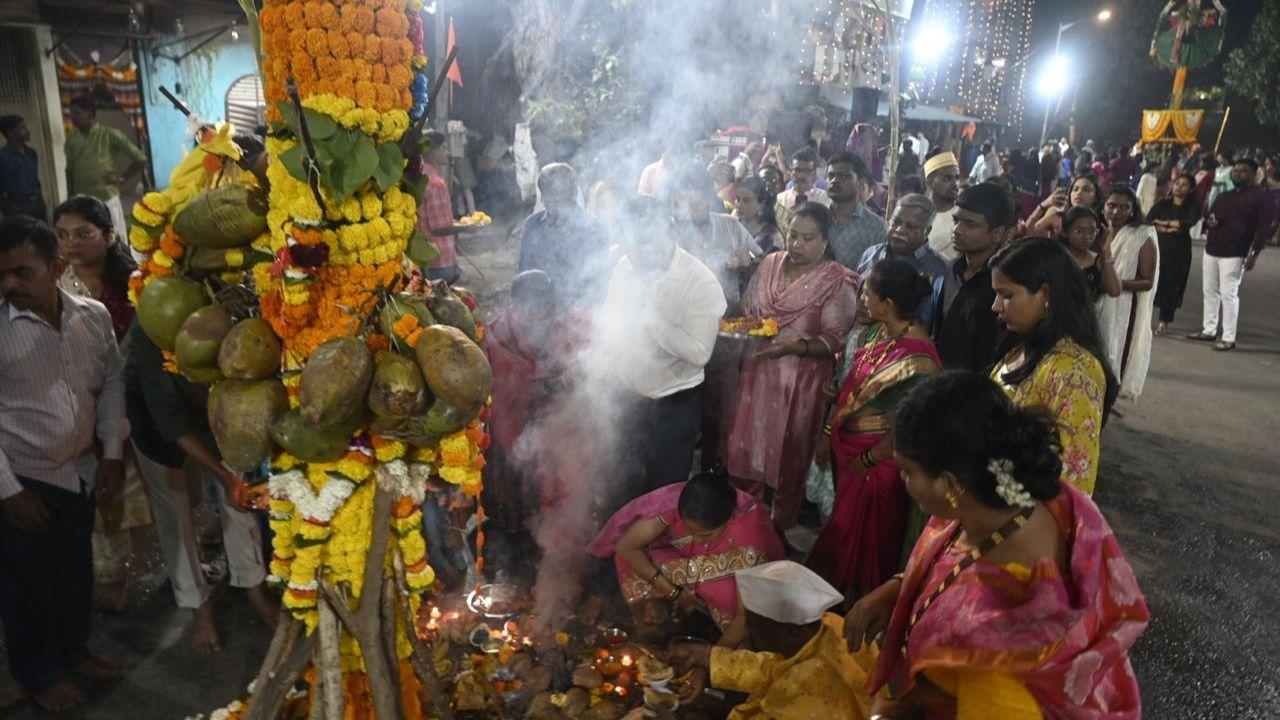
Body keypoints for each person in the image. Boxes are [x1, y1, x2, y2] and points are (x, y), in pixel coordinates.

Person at [849, 371, 1148, 719]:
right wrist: (899, 589)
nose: (903, 481)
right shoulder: (1011, 495)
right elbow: (957, 560)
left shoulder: (997, 637)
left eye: (907, 471)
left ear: (949, 483)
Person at [0, 216, 125, 711]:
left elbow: (111, 383)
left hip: (81, 473)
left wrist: (112, 454)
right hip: (24, 478)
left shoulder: (92, 316)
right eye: (1, 274)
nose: (9, 284)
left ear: (54, 269)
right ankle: (38, 673)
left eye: (21, 273)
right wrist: (7, 490)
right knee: (27, 586)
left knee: (74, 573)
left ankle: (73, 651)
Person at [124, 325, 276, 651]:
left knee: (241, 501)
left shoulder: (224, 308)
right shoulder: (150, 330)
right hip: (156, 429)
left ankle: (254, 589)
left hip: (214, 414)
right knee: (175, 516)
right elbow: (171, 423)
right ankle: (199, 608)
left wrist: (233, 474)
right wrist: (223, 476)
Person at [807, 259, 940, 597]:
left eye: (867, 294)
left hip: (879, 464)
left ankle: (860, 604)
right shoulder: (876, 332)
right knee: (842, 531)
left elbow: (909, 425)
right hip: (852, 452)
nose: (862, 300)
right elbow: (856, 389)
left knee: (871, 541)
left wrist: (869, 459)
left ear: (888, 304)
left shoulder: (920, 357)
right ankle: (835, 598)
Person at [725, 203, 859, 533]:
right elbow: (748, 310)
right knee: (750, 447)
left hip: (803, 382)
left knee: (791, 454)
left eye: (807, 239)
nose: (796, 245)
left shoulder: (836, 281)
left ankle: (776, 531)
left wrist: (793, 347)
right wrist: (740, 325)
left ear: (826, 240)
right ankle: (744, 526)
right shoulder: (770, 264)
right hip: (759, 372)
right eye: (792, 235)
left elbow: (834, 340)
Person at [596, 196, 726, 505]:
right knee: (619, 482)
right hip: (627, 395)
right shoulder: (626, 265)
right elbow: (608, 320)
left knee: (665, 491)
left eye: (642, 245)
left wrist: (650, 316)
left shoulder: (700, 282)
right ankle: (616, 548)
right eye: (628, 245)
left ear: (667, 233)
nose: (634, 256)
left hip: (673, 404)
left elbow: (699, 353)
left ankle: (658, 550)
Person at [52, 196, 148, 611]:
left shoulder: (135, 285)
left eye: (82, 234)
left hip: (136, 402)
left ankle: (125, 572)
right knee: (95, 493)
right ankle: (106, 576)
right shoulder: (52, 285)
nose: (71, 244)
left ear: (109, 238)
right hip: (79, 406)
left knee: (130, 489)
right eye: (61, 236)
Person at [586, 471, 784, 645]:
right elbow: (626, 547)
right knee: (633, 556)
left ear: (729, 519)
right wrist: (673, 593)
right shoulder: (679, 505)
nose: (696, 540)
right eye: (689, 532)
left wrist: (710, 660)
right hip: (691, 566)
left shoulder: (750, 537)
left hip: (734, 580)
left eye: (705, 536)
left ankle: (729, 648)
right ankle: (649, 626)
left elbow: (745, 617)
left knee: (729, 603)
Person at [989, 238, 1117, 494]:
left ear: (1046, 294)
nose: (995, 306)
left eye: (1006, 295)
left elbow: (1072, 482)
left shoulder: (1075, 372)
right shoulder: (1021, 346)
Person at [669, 561, 873, 720]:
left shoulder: (805, 694)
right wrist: (706, 657)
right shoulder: (829, 624)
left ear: (789, 630)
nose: (748, 628)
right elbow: (777, 666)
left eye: (755, 624)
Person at [483, 270, 587, 528]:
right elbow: (499, 387)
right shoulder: (498, 334)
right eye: (528, 310)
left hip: (558, 421)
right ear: (514, 307)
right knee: (512, 474)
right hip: (514, 421)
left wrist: (570, 380)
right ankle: (514, 523)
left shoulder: (571, 327)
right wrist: (538, 385)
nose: (536, 317)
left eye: (544, 310)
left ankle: (559, 526)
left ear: (553, 307)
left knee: (559, 470)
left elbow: (589, 369)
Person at [1188, 157, 1274, 351]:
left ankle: (1228, 337)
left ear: (1254, 174)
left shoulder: (1261, 197)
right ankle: (1208, 330)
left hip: (1236, 252)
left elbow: (1264, 228)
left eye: (1242, 171)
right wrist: (1209, 223)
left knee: (1228, 294)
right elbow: (1210, 215)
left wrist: (1255, 254)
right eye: (1235, 171)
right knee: (1209, 291)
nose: (1237, 173)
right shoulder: (1224, 196)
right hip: (1213, 248)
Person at [931, 183, 1016, 373]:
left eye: (970, 224)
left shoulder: (1007, 284)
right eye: (956, 221)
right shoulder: (952, 270)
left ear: (997, 234)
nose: (957, 230)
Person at [1096, 186, 1158, 401]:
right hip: (1096, 303)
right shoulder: (1095, 230)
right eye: (1112, 205)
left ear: (1133, 210)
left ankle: (1106, 402)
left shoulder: (1141, 236)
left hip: (1122, 306)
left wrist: (1113, 283)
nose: (1116, 212)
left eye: (1124, 207)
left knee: (1114, 356)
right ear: (1103, 206)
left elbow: (1147, 281)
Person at [518, 162, 610, 307]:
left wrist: (574, 314)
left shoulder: (594, 230)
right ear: (543, 197)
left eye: (560, 197)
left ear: (574, 195)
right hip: (538, 311)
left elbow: (598, 284)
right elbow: (524, 273)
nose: (554, 204)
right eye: (548, 196)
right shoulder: (532, 225)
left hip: (579, 313)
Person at [63, 97, 146, 241]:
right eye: (71, 114)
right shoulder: (71, 139)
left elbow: (140, 159)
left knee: (115, 237)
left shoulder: (110, 134)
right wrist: (71, 199)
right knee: (88, 240)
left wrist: (122, 178)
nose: (73, 118)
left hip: (107, 197)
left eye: (77, 114)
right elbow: (69, 170)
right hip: (82, 199)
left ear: (90, 115)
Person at [417, 129, 474, 285]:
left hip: (424, 256)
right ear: (433, 152)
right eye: (444, 148)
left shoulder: (419, 176)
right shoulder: (436, 183)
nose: (447, 152)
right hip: (439, 259)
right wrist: (466, 228)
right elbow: (439, 227)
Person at [1150, 174, 1202, 334]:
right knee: (1153, 281)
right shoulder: (1162, 204)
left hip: (1179, 251)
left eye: (1184, 184)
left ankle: (1164, 321)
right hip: (1159, 247)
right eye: (1177, 183)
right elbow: (1149, 220)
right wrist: (1172, 226)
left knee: (1173, 284)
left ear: (1191, 189)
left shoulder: (1192, 206)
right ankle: (1144, 319)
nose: (1179, 186)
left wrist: (1164, 224)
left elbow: (1189, 222)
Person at [855, 193, 948, 282]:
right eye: (896, 222)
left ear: (927, 231)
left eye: (911, 226)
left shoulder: (940, 270)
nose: (899, 230)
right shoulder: (871, 254)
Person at [825, 152, 887, 271]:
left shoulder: (876, 227)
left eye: (844, 176)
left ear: (860, 183)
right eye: (831, 175)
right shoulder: (816, 218)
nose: (835, 180)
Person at [1057, 206, 1122, 302]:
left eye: (1092, 231)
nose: (1087, 236)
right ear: (1065, 232)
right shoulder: (1056, 257)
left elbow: (1115, 291)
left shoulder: (1099, 260)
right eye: (1079, 231)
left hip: (1087, 315)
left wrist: (1106, 251)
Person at [1025, 174, 1102, 239]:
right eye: (1075, 189)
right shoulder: (1057, 215)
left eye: (1086, 190)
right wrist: (1043, 205)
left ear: (1095, 197)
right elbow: (1029, 233)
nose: (1078, 193)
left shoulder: (1100, 225)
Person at [0, 115, 45, 221]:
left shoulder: (32, 153)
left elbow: (35, 179)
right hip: (16, 206)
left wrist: (41, 201)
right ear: (10, 133)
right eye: (22, 128)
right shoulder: (3, 157)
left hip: (37, 203)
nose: (28, 131)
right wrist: (5, 206)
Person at [775, 149, 830, 236]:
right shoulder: (780, 199)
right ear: (790, 172)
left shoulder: (824, 198)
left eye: (807, 171)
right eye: (797, 170)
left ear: (814, 173)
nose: (801, 175)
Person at [923, 152, 961, 261]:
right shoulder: (916, 214)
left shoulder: (962, 218)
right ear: (930, 182)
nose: (955, 184)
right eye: (947, 179)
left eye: (957, 178)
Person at [733, 176, 782, 254]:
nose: (739, 205)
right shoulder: (731, 226)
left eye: (746, 200)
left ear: (761, 204)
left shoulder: (771, 236)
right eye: (738, 199)